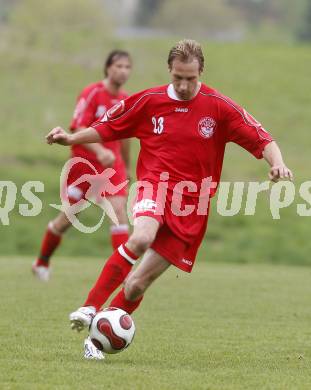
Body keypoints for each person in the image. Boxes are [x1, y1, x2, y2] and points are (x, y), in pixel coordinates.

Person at [46, 39, 293, 358]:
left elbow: (262, 138)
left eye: (191, 78)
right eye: (178, 77)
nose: (185, 84)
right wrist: (71, 137)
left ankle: (95, 343)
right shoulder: (148, 101)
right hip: (153, 186)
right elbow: (107, 127)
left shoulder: (219, 107)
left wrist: (278, 164)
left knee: (136, 285)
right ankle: (90, 307)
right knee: (141, 236)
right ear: (170, 71)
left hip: (192, 206)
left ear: (201, 72)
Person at [33, 50, 132, 281]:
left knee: (118, 213)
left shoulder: (126, 101)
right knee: (67, 218)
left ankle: (124, 274)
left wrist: (126, 165)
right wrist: (99, 150)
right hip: (84, 165)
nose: (123, 71)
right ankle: (41, 262)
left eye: (127, 67)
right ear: (108, 68)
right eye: (118, 66)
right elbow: (77, 127)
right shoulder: (92, 93)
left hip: (112, 166)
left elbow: (126, 136)